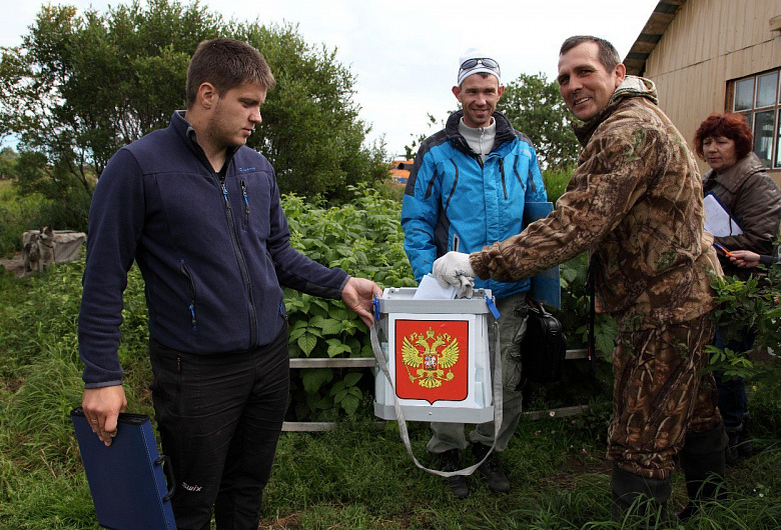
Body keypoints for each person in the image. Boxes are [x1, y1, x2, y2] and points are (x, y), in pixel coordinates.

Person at [78, 38, 382, 529]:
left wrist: (340, 282)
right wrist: (102, 376)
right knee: (192, 503)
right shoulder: (138, 167)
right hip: (195, 372)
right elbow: (103, 279)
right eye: (248, 103)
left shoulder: (257, 168)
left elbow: (277, 253)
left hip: (268, 359)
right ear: (206, 94)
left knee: (247, 491)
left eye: (258, 105)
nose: (257, 118)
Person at [432, 36, 728, 521]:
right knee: (693, 405)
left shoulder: (625, 132)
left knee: (642, 429)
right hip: (683, 293)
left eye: (585, 72)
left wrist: (476, 263)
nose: (573, 85)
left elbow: (573, 225)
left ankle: (639, 519)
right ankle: (711, 509)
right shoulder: (638, 119)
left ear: (617, 73)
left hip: (660, 305)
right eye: (565, 77)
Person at [401, 48, 550, 498]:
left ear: (500, 92)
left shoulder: (522, 149)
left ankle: (491, 450)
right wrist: (432, 272)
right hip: (454, 289)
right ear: (457, 93)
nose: (480, 100)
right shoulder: (435, 151)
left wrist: (539, 282)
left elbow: (538, 218)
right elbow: (416, 220)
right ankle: (448, 448)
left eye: (488, 91)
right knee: (447, 374)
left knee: (506, 375)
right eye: (472, 91)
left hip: (510, 287)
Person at [694, 112, 781, 465]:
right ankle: (721, 432)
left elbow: (760, 240)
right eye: (707, 142)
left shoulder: (757, 184)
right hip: (714, 284)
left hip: (742, 288)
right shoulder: (710, 180)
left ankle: (736, 435)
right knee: (713, 361)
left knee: (727, 364)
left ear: (739, 144)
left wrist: (701, 241)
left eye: (722, 142)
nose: (712, 149)